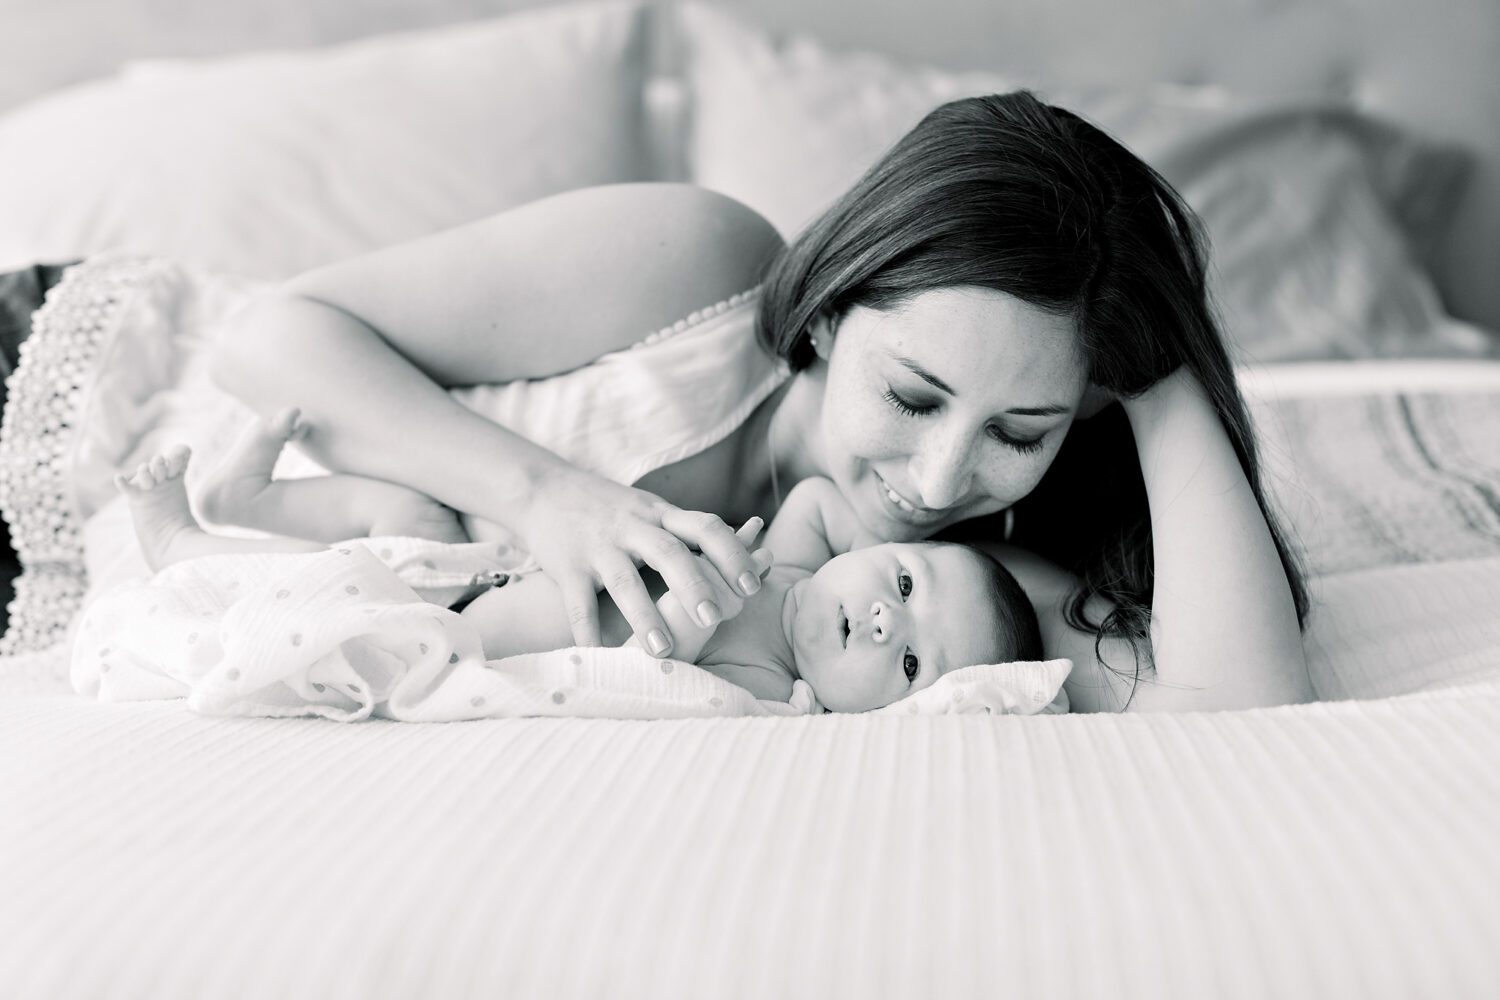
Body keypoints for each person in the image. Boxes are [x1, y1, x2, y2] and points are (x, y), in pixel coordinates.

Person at [207, 90, 1313, 713]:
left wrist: (1159, 359)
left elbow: (1245, 711)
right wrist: (549, 499)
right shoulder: (700, 274)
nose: (935, 488)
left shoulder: (977, 591)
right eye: (913, 396)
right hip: (108, 398)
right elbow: (264, 341)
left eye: (1019, 432)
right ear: (831, 309)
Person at [112, 413, 1042, 713]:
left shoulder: (775, 690)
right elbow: (812, 503)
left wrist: (697, 614)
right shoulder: (796, 567)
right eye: (906, 585)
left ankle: (183, 545)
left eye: (911, 662)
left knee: (340, 585)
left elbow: (669, 673)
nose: (885, 620)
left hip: (462, 633)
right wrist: (869, 537)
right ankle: (251, 505)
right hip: (494, 565)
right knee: (400, 515)